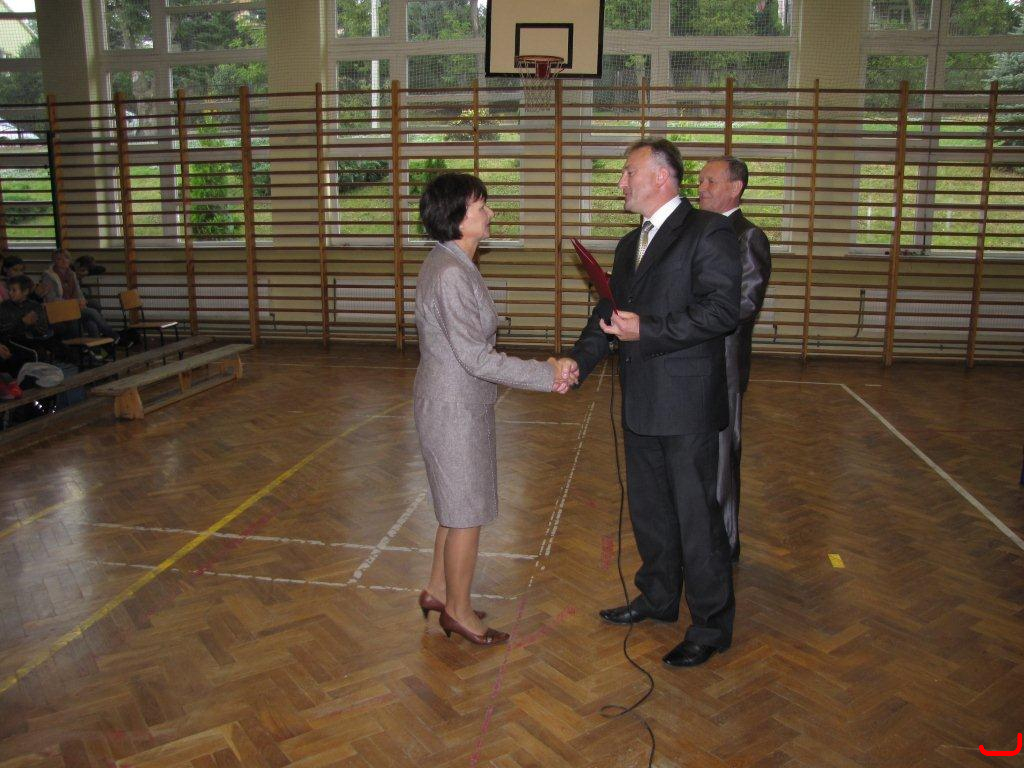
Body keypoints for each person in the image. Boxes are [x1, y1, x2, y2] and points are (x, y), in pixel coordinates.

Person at [558, 138, 740, 668]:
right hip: (641, 402)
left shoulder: (708, 231)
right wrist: (577, 362)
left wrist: (650, 330)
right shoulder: (627, 245)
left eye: (628, 172)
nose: (621, 182)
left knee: (696, 519)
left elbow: (722, 311)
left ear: (661, 176)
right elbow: (609, 314)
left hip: (686, 405)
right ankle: (659, 597)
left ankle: (710, 626)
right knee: (652, 512)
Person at [414, 172, 575, 647]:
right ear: (457, 217)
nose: (490, 213)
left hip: (456, 402)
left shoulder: (452, 261)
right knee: (466, 513)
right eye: (481, 206)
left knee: (455, 507)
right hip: (453, 407)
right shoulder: (449, 272)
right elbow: (477, 358)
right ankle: (459, 612)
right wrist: (546, 374)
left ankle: (438, 590)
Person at [698, 156, 772, 562]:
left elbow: (744, 305)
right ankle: (701, 538)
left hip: (724, 363)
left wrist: (688, 319)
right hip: (693, 362)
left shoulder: (748, 236)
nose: (702, 188)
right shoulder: (700, 231)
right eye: (701, 181)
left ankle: (726, 545)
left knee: (725, 458)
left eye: (711, 181)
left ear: (735, 187)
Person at [40, 249, 118, 341]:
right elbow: (51, 299)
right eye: (59, 259)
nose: (64, 261)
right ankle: (114, 336)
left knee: (90, 321)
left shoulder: (72, 274)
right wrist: (73, 303)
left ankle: (97, 347)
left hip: (73, 306)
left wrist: (82, 301)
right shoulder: (49, 276)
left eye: (66, 258)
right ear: (54, 261)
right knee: (92, 313)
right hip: (60, 308)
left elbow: (78, 292)